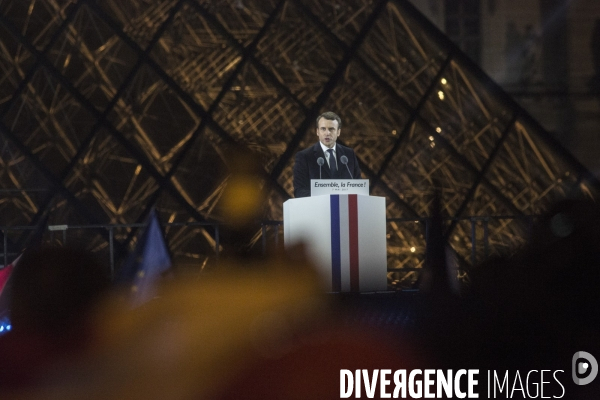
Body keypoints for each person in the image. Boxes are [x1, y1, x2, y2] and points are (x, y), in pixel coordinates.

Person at [293, 111, 362, 198]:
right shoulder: (305, 156)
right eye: (323, 129)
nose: (327, 133)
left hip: (346, 208)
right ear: (317, 132)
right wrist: (326, 196)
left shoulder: (349, 155)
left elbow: (359, 187)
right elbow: (299, 191)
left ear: (338, 132)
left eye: (331, 129)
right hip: (318, 209)